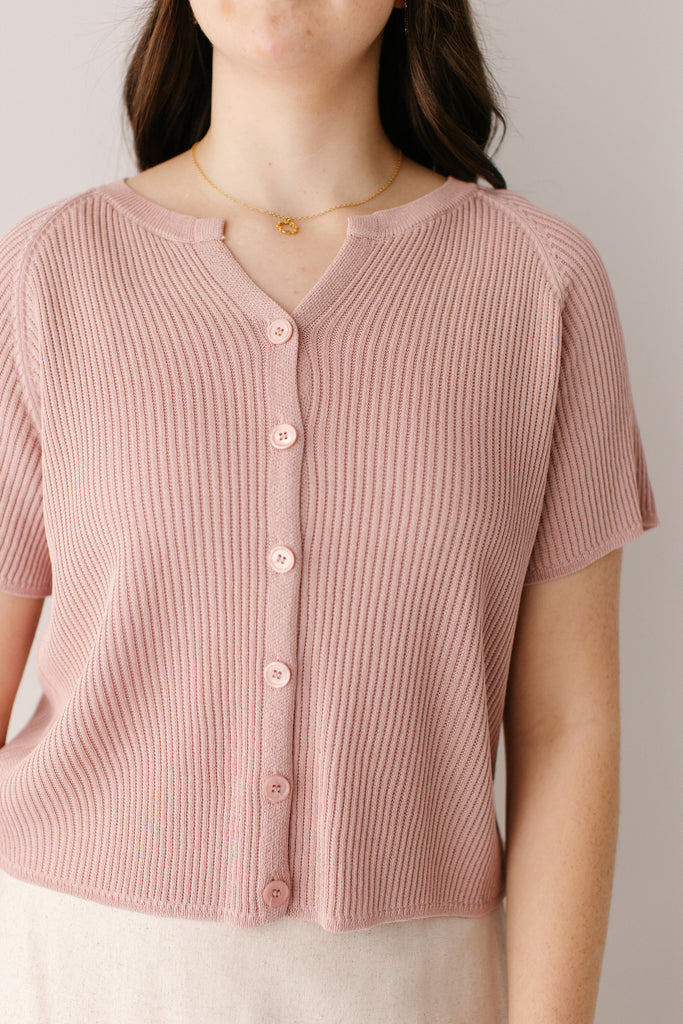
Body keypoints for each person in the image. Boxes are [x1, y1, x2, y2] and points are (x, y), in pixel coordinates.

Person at [0, 1, 660, 1022]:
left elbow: (567, 726)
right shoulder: (47, 274)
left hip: (415, 984)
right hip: (75, 968)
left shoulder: (538, 283)